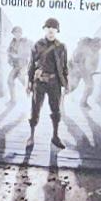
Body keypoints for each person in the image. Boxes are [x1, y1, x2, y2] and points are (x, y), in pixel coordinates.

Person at [26, 19, 69, 152]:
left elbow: (64, 66)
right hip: (39, 83)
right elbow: (31, 65)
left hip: (54, 83)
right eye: (49, 27)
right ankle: (31, 136)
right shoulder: (37, 45)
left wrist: (66, 84)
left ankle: (55, 137)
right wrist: (29, 82)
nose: (51, 30)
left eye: (54, 28)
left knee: (56, 111)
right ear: (45, 29)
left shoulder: (61, 46)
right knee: (35, 110)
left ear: (57, 31)